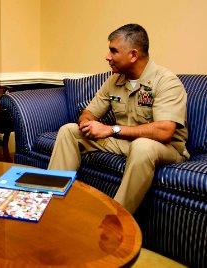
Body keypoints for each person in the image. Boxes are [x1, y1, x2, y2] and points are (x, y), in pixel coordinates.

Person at [48, 24, 189, 214]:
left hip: (165, 148)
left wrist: (111, 129)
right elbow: (89, 112)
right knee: (69, 130)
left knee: (142, 146)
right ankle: (52, 203)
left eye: (113, 51)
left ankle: (115, 220)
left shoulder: (167, 81)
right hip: (125, 142)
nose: (107, 56)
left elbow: (165, 131)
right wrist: (87, 122)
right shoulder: (114, 80)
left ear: (133, 55)